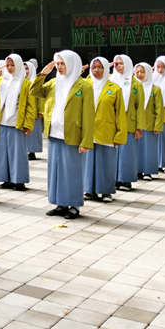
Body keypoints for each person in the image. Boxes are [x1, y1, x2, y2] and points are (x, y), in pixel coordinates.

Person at [31, 51, 95, 220]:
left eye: (62, 63)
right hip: (54, 135)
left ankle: (74, 206)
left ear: (72, 64)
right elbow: (34, 91)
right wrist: (42, 74)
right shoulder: (53, 83)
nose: (59, 67)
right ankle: (60, 203)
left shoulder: (84, 86)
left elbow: (88, 115)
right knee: (56, 171)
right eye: (57, 63)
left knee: (72, 171)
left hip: (72, 135)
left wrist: (86, 141)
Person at [83, 57, 127, 203]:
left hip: (106, 130)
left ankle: (106, 191)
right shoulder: (85, 85)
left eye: (100, 67)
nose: (97, 70)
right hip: (88, 130)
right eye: (94, 67)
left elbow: (120, 114)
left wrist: (120, 134)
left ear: (107, 69)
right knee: (88, 162)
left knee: (106, 162)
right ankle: (89, 189)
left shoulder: (114, 88)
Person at [0, 54, 36, 191]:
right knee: (2, 152)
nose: (10, 68)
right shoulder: (1, 81)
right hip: (1, 122)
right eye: (8, 65)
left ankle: (19, 180)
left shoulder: (25, 83)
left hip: (17, 123)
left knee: (18, 154)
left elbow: (30, 106)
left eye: (13, 65)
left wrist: (28, 124)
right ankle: (6, 179)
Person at [111, 55, 144, 192]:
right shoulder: (110, 80)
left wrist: (139, 127)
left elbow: (140, 107)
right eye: (116, 64)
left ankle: (125, 180)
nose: (118, 66)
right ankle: (113, 179)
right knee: (113, 153)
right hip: (112, 123)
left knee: (127, 153)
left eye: (121, 63)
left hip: (129, 123)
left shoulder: (136, 84)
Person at [135, 63, 164, 181]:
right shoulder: (133, 89)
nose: (139, 74)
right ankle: (137, 170)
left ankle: (148, 171)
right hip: (135, 125)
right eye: (137, 72)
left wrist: (158, 126)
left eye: (142, 72)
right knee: (137, 149)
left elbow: (159, 109)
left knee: (149, 149)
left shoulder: (155, 89)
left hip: (150, 125)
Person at [24, 61, 44, 160]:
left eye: (27, 69)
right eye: (24, 69)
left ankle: (32, 151)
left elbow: (40, 97)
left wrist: (41, 111)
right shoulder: (22, 82)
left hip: (35, 112)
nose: (25, 71)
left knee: (34, 133)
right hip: (24, 111)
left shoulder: (35, 82)